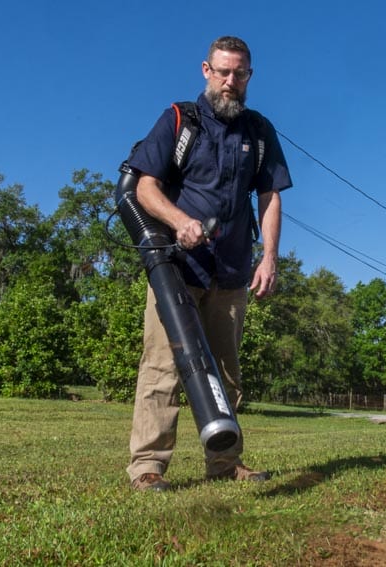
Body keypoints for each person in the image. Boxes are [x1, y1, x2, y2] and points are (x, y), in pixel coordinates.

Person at [126, 36, 292, 491]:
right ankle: (148, 467)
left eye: (239, 73)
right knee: (162, 368)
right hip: (175, 269)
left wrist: (269, 257)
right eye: (222, 71)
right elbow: (144, 188)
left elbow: (270, 196)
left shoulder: (259, 131)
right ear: (206, 70)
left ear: (250, 76)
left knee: (225, 372)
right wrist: (179, 221)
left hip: (232, 271)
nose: (230, 81)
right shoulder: (179, 120)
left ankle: (224, 462)